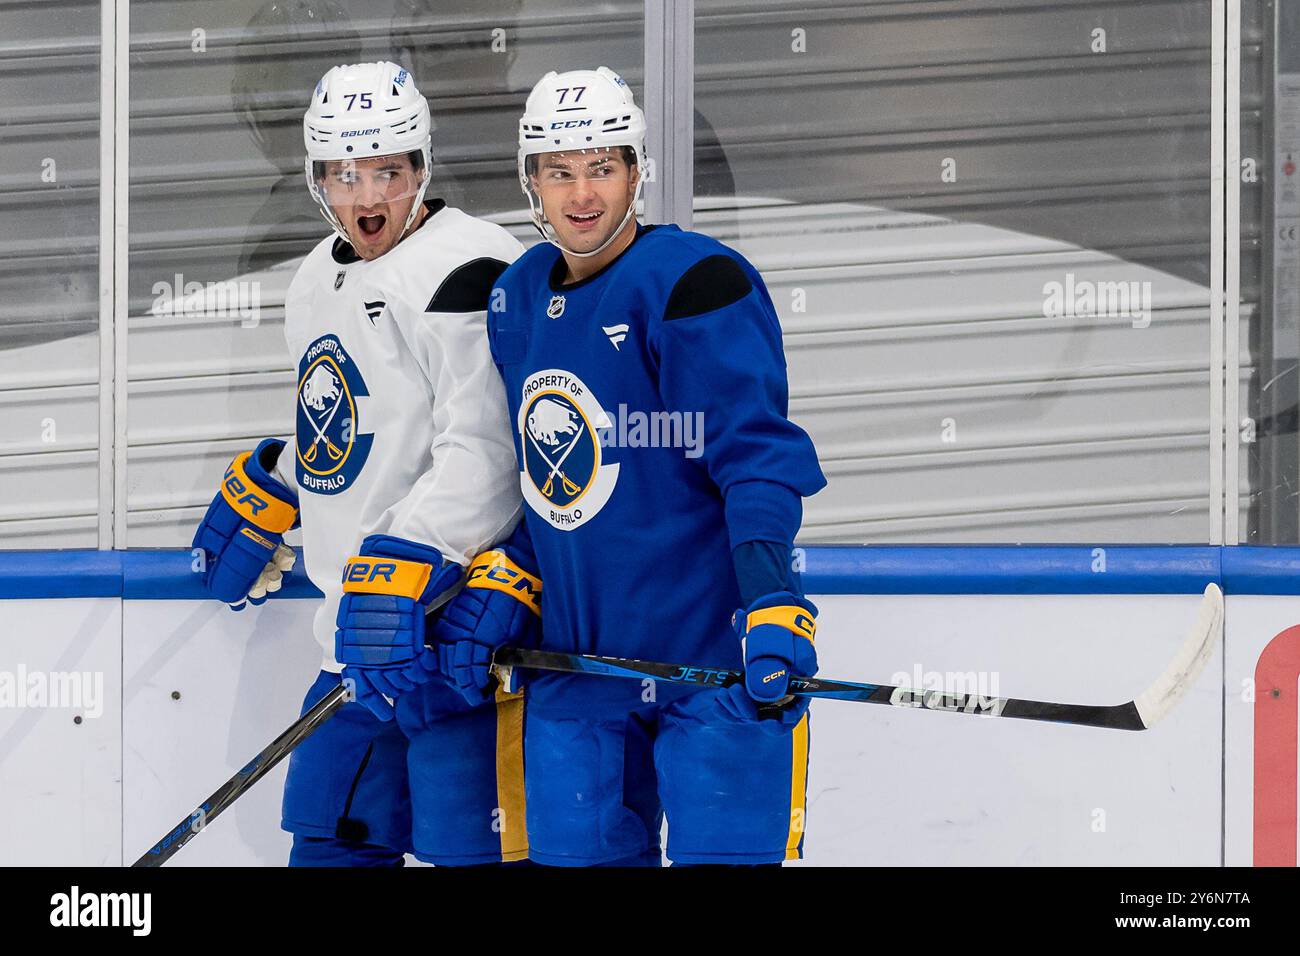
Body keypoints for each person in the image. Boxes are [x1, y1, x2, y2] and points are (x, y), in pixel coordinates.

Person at [433, 67, 826, 866]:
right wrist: (510, 573)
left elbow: (754, 458)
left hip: (711, 668)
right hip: (577, 669)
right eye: (560, 171)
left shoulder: (694, 282)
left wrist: (773, 596)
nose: (582, 195)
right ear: (531, 181)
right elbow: (543, 480)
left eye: (602, 168)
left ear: (638, 172)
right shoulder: (513, 300)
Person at [191, 61, 528, 866]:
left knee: (469, 851)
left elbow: (488, 448)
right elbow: (349, 424)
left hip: (457, 644)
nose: (368, 198)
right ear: (316, 179)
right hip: (355, 643)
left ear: (421, 169)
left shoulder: (470, 265)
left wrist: (406, 558)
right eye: (345, 175)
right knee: (329, 840)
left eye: (387, 171)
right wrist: (285, 480)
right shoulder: (313, 280)